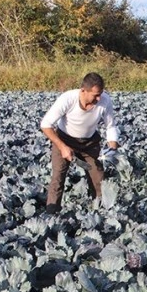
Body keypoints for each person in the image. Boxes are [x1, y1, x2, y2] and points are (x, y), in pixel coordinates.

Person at [40, 72, 119, 214]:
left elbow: (111, 126)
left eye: (100, 93)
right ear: (83, 90)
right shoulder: (67, 99)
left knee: (98, 178)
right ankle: (51, 213)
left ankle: (101, 212)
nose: (99, 98)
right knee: (58, 177)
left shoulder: (105, 100)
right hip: (64, 139)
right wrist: (63, 147)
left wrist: (112, 148)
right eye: (95, 95)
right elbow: (45, 124)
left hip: (90, 143)